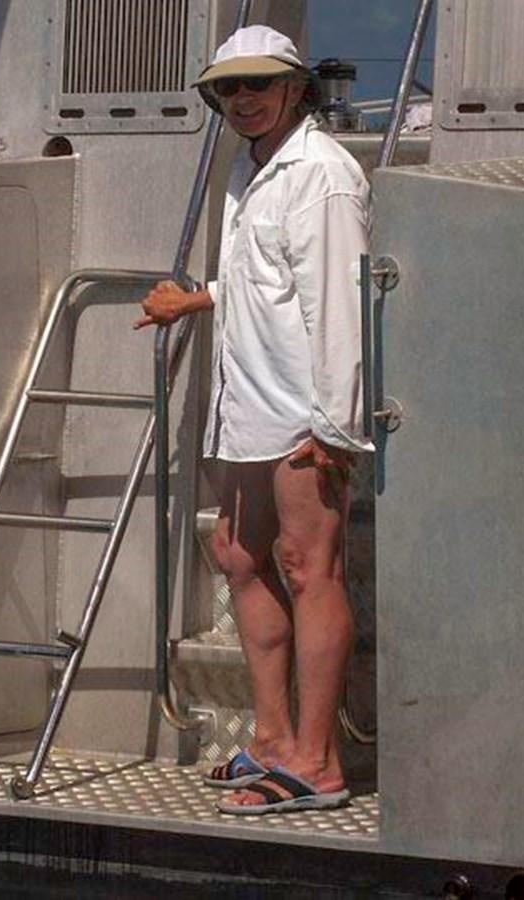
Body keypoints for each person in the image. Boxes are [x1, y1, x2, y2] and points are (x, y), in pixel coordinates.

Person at [133, 25, 372, 816]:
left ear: (295, 89)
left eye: (258, 85)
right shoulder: (250, 167)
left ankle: (317, 763)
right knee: (239, 555)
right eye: (228, 89)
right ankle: (271, 740)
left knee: (309, 568)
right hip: (249, 402)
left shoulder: (323, 175)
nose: (242, 99)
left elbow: (339, 302)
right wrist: (196, 296)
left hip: (305, 413)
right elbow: (261, 275)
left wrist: (336, 428)